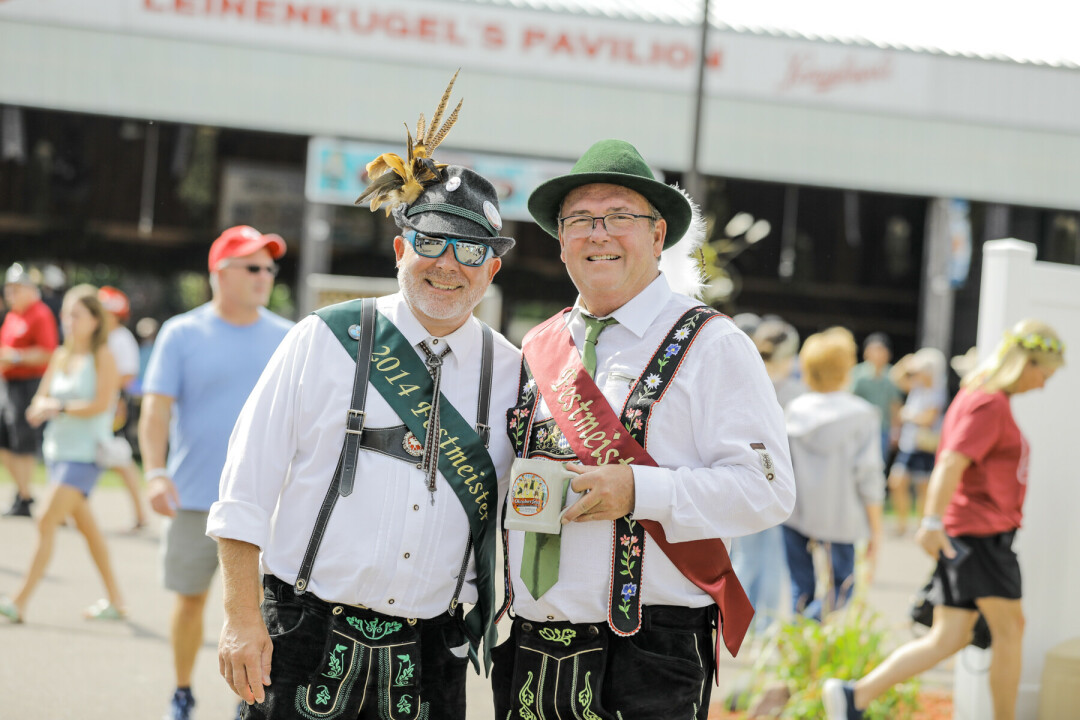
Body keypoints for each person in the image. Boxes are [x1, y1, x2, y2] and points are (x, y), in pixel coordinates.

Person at [494, 139, 795, 719]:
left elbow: (768, 490)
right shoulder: (536, 346)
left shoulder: (714, 344)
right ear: (561, 241)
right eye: (579, 219)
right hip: (532, 647)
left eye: (620, 217)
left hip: (648, 651)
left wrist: (639, 492)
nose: (598, 233)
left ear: (658, 236)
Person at [210, 163, 521, 717]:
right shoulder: (324, 337)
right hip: (304, 631)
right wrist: (240, 616)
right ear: (401, 249)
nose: (449, 263)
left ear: (492, 268)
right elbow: (244, 487)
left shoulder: (513, 373)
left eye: (471, 250)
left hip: (432, 653)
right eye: (431, 241)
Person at [824, 319, 1065, 720]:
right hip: (980, 536)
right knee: (1010, 631)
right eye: (1046, 373)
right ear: (1027, 363)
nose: (1043, 384)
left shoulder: (982, 397)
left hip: (972, 534)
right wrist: (931, 522)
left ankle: (854, 697)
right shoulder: (989, 402)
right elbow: (952, 462)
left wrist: (939, 523)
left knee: (949, 637)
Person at [139, 226, 293, 720]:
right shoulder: (181, 333)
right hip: (194, 496)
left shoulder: (289, 337)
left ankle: (249, 701)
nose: (264, 276)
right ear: (219, 273)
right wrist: (156, 472)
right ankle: (182, 691)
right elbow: (156, 411)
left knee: (266, 614)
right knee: (190, 603)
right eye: (253, 267)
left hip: (267, 507)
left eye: (269, 268)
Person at [0, 285, 125, 623]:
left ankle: (19, 600)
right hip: (57, 453)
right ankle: (116, 600)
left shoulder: (104, 357)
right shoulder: (60, 356)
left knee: (44, 519)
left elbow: (101, 404)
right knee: (88, 529)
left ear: (95, 321)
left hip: (85, 455)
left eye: (76, 315)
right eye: (65, 315)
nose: (67, 321)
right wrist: (38, 408)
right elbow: (40, 399)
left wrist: (59, 407)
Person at [782, 327, 884, 621]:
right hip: (842, 517)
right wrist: (876, 530)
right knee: (842, 589)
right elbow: (869, 475)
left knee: (799, 590)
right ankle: (810, 628)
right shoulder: (862, 415)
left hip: (796, 513)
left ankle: (797, 642)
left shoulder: (794, 410)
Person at [730, 316, 804, 633]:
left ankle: (734, 619)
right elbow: (771, 445)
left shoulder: (745, 378)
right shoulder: (792, 391)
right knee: (771, 557)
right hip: (774, 482)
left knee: (745, 555)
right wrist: (772, 476)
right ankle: (766, 625)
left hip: (743, 479)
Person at [1, 263, 60, 517]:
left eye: (16, 289)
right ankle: (24, 492)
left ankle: (25, 496)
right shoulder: (14, 315)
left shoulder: (40, 313)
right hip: (10, 384)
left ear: (29, 289)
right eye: (9, 289)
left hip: (29, 382)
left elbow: (48, 352)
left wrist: (14, 357)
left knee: (22, 441)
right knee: (5, 441)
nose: (11, 294)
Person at [98, 285, 148, 531]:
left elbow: (128, 374)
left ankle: (140, 513)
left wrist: (103, 389)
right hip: (100, 403)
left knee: (120, 458)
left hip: (115, 403)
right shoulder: (102, 337)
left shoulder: (121, 338)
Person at [887, 347, 947, 534]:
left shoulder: (937, 391)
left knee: (923, 489)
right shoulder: (917, 386)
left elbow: (929, 419)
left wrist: (907, 416)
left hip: (924, 445)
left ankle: (921, 527)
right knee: (896, 482)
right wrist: (908, 362)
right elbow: (895, 377)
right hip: (909, 444)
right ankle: (902, 525)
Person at [850, 332, 903, 465]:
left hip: (882, 429)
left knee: (879, 465)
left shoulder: (892, 376)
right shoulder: (857, 374)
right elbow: (850, 400)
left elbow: (895, 405)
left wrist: (896, 431)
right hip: (860, 428)